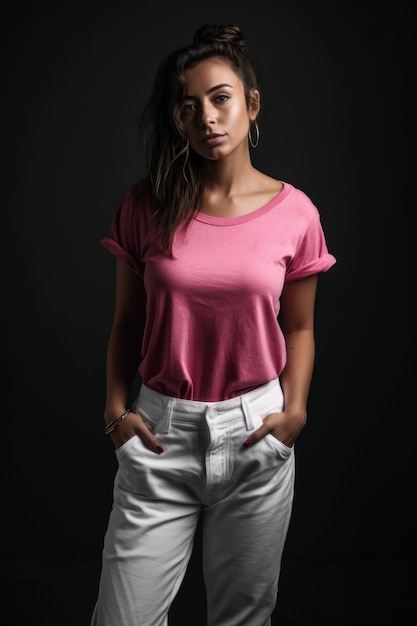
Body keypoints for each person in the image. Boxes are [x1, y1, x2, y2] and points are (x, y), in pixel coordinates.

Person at [90, 23, 336, 626]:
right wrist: (116, 411)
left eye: (220, 98)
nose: (206, 117)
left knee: (243, 619)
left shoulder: (296, 212)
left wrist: (294, 413)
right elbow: (128, 322)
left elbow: (299, 328)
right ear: (176, 118)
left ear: (251, 105)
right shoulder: (145, 205)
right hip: (159, 432)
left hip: (256, 431)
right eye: (188, 105)